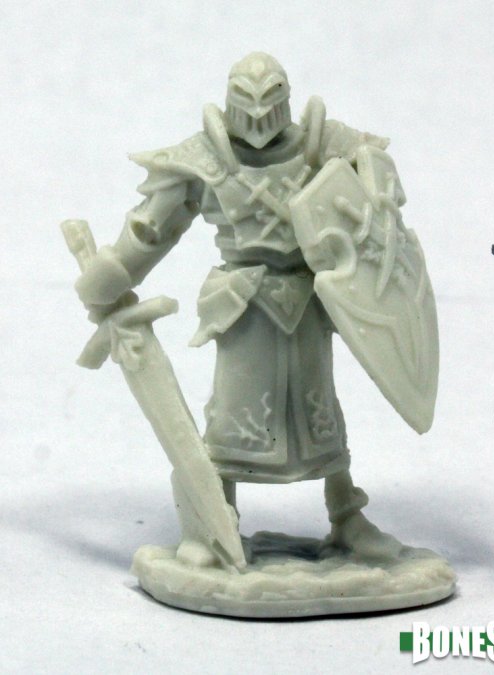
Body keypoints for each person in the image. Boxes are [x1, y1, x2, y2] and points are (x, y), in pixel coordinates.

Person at [75, 52, 404, 563]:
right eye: (246, 101)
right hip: (242, 302)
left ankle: (347, 516)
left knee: (320, 412)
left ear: (285, 99)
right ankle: (216, 518)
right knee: (233, 415)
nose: (257, 114)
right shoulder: (203, 159)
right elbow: (152, 228)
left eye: (269, 100)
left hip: (310, 298)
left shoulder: (326, 149)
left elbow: (379, 198)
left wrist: (378, 189)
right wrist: (113, 272)